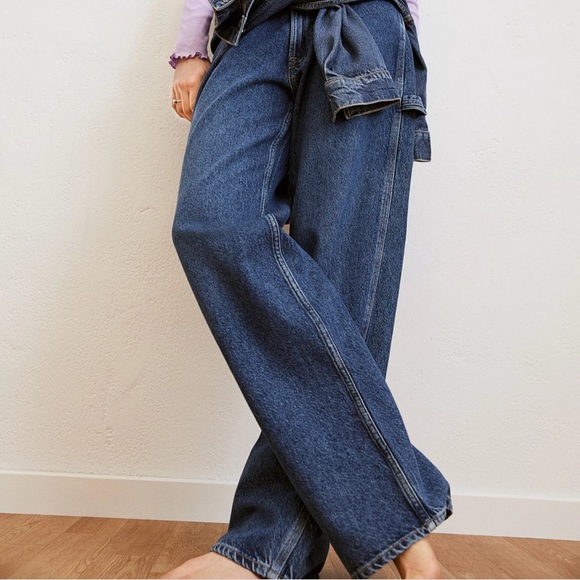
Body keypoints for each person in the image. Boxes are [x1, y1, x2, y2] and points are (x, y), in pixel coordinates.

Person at [161, 0, 453, 577]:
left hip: (362, 23)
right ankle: (405, 532)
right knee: (211, 223)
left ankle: (265, 551)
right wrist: (192, 43)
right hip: (252, 26)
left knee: (346, 284)